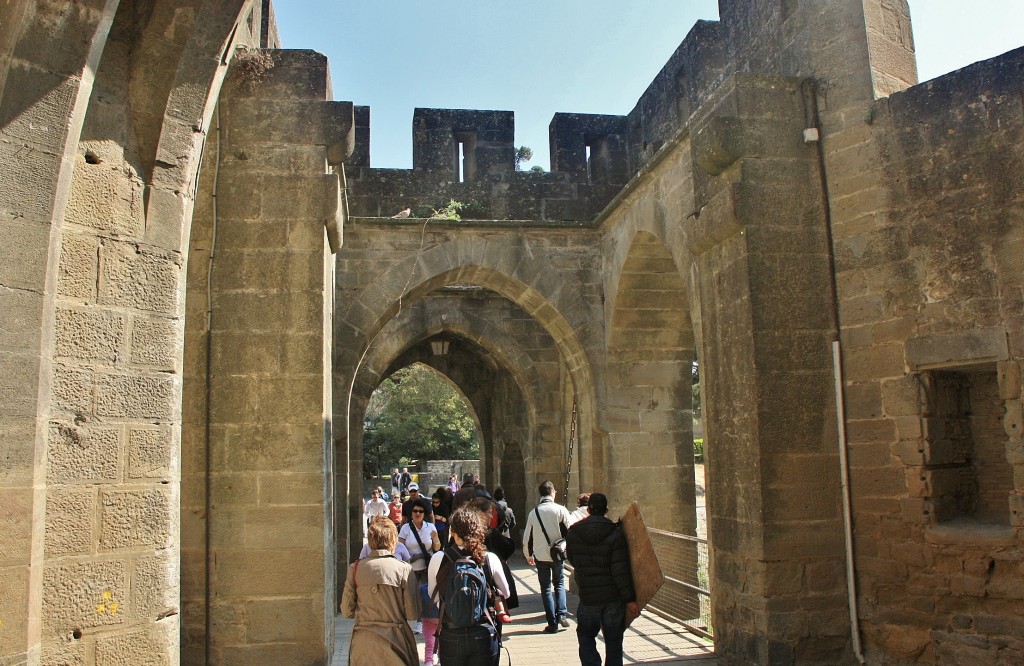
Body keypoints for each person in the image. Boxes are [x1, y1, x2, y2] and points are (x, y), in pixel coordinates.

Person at [427, 507, 511, 665]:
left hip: (450, 632)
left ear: (452, 532)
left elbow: (434, 595)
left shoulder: (438, 559)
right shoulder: (489, 558)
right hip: (483, 631)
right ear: (478, 531)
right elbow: (505, 593)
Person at [566, 493, 638, 666]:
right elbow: (620, 570)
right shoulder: (616, 533)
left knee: (585, 636)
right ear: (606, 510)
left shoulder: (574, 532)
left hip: (588, 597)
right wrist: (630, 599)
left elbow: (573, 559)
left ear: (588, 509)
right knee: (614, 642)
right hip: (612, 598)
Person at [340, 517, 420, 665]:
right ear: (393, 541)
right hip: (396, 641)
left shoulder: (355, 568)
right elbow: (412, 613)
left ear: (371, 541)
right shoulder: (404, 569)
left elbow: (346, 611)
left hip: (364, 643)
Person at [521, 480, 572, 633]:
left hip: (541, 555)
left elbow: (527, 537)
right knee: (560, 583)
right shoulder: (561, 510)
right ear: (552, 492)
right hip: (557, 555)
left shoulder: (534, 512)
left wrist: (528, 554)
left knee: (545, 588)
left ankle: (552, 622)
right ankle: (562, 614)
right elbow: (569, 532)